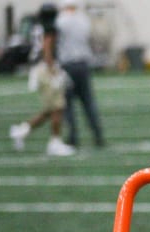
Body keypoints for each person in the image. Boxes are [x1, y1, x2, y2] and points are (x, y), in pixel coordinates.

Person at [9, 3, 76, 156]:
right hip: (45, 68)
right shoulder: (49, 27)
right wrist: (53, 71)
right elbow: (47, 48)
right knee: (58, 107)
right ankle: (55, 142)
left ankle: (22, 130)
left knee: (51, 109)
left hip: (38, 68)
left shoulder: (37, 26)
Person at [48, 0, 105, 148]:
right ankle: (98, 134)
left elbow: (54, 41)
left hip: (67, 65)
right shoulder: (83, 20)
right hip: (84, 63)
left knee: (68, 104)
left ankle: (73, 137)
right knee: (88, 102)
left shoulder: (60, 21)